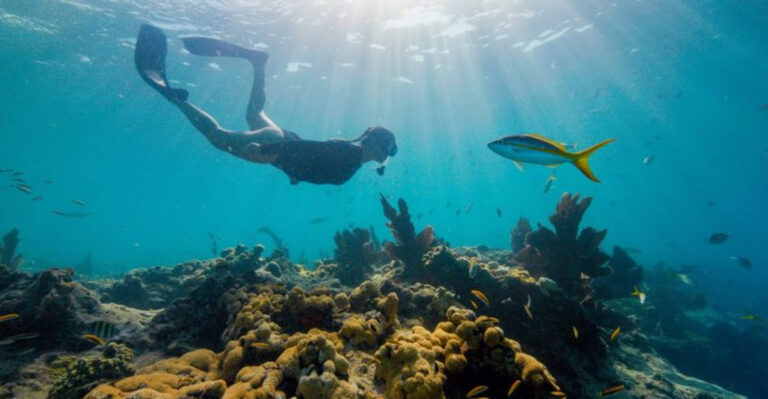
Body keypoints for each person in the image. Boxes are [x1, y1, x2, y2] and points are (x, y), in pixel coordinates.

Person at [134, 24, 397, 185]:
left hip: (283, 142)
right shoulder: (351, 154)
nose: (386, 156)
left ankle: (258, 63)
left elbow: (317, 158)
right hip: (277, 149)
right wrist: (268, 149)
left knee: (255, 113)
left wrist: (296, 174)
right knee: (218, 138)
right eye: (387, 149)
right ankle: (176, 100)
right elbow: (314, 149)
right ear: (374, 143)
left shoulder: (350, 150)